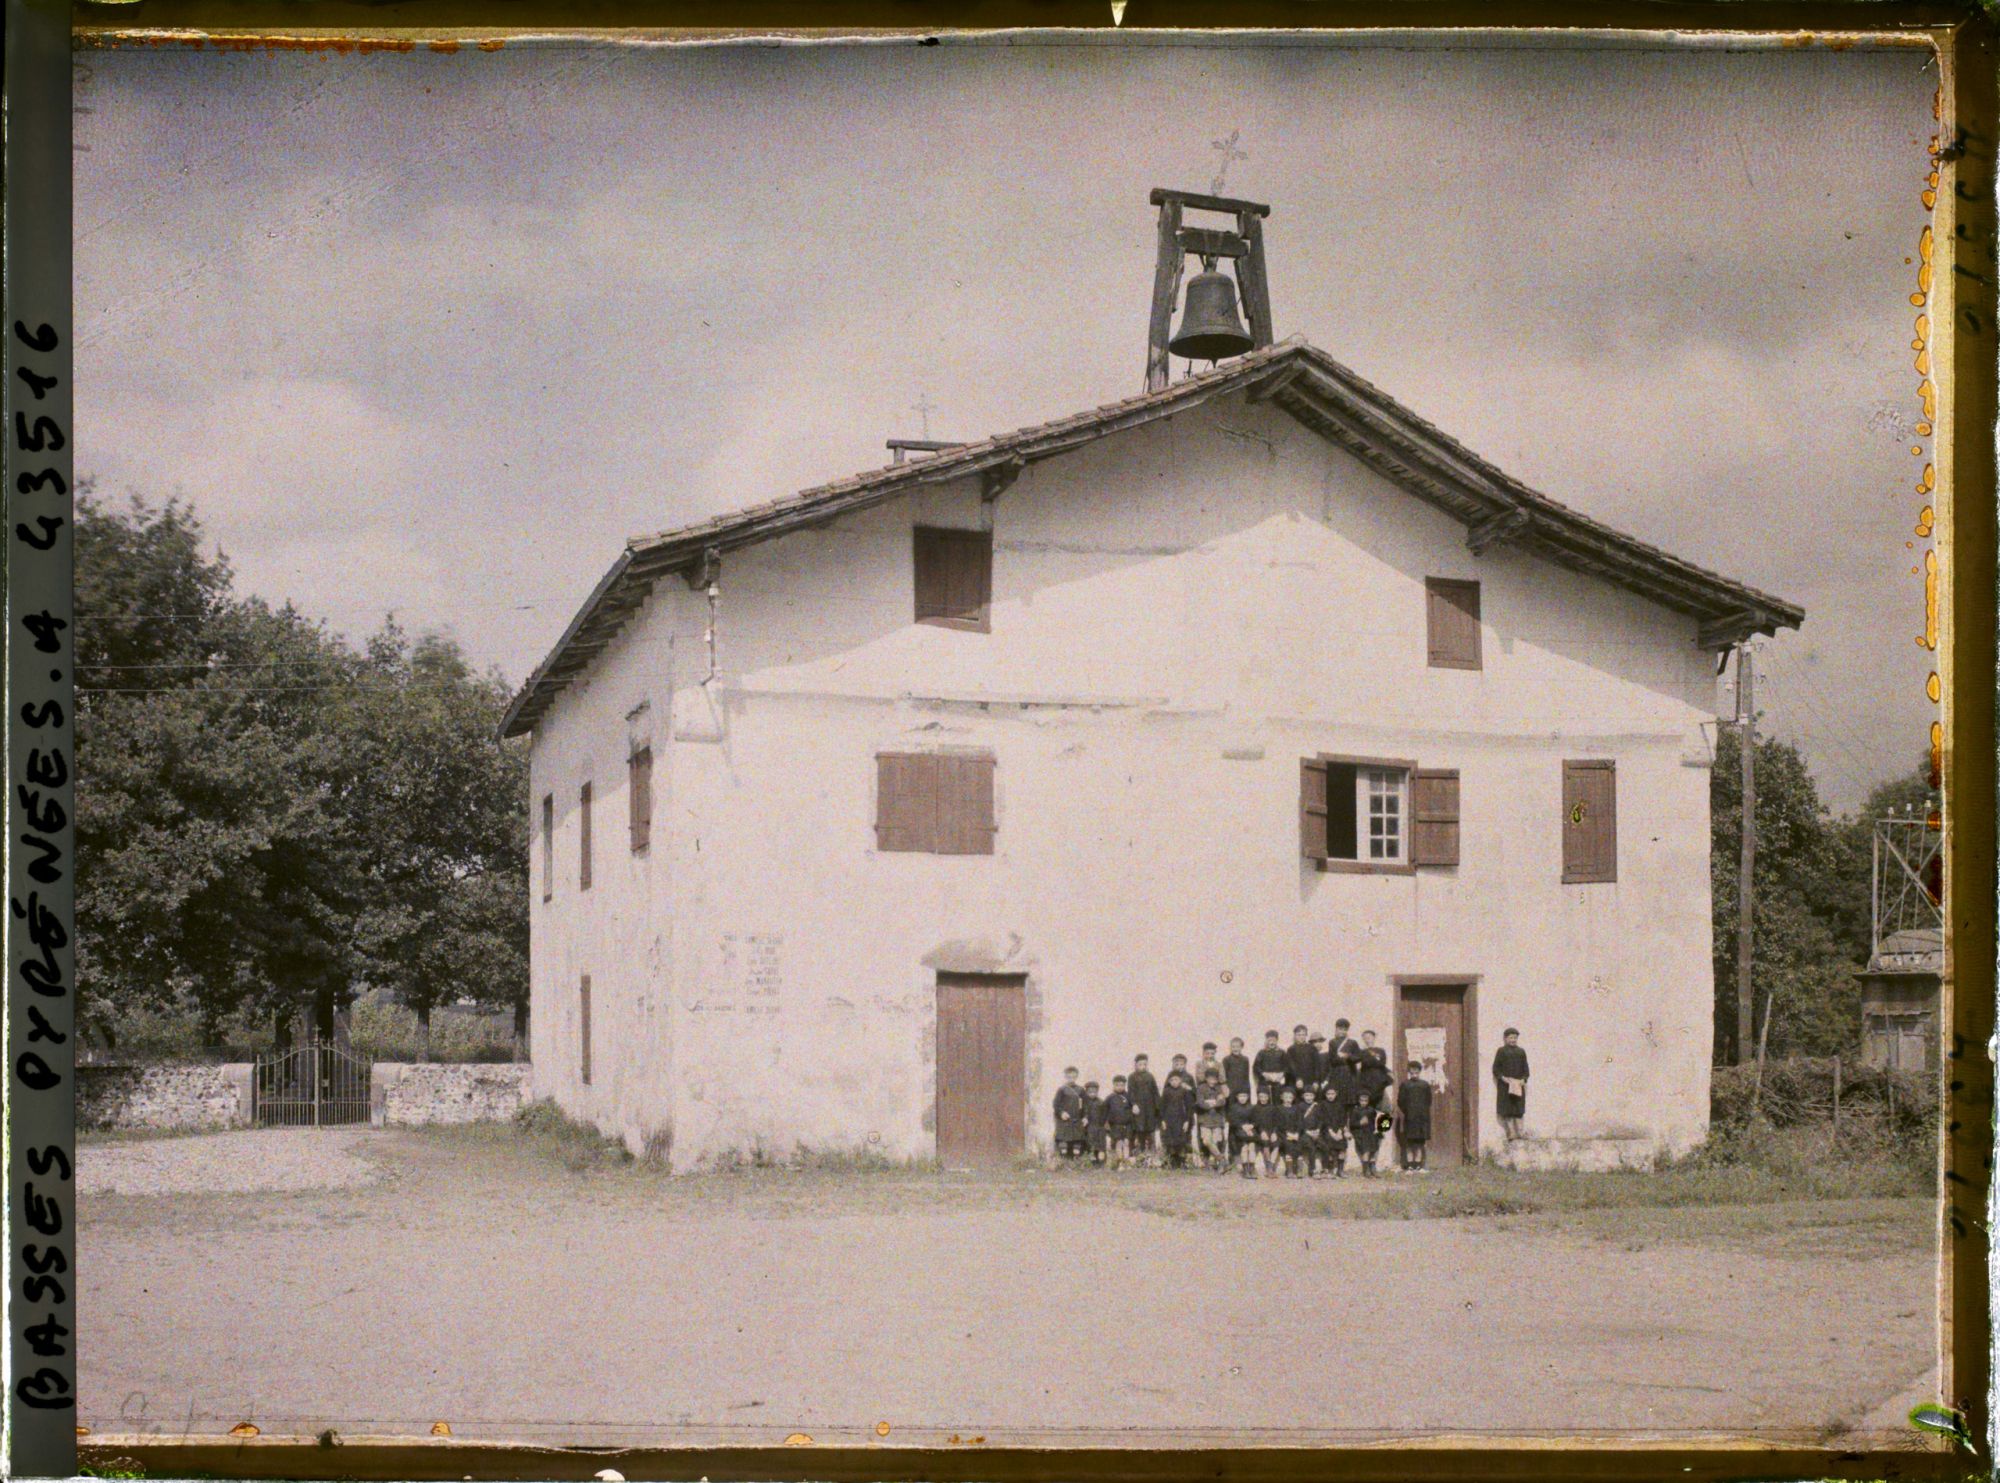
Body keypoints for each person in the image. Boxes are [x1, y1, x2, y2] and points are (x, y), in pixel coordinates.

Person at [1396, 1060, 1433, 1173]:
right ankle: (1410, 1165)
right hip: (1410, 1118)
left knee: (1420, 1143)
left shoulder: (1425, 1085)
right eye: (1412, 1073)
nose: (1414, 1075)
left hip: (1422, 1118)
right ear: (1409, 1072)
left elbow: (1428, 1100)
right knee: (1409, 1142)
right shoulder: (1405, 1085)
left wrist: (1421, 1111)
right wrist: (1408, 1111)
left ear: (1419, 1072)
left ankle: (1419, 1165)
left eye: (1416, 1072)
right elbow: (1400, 1101)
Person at [1493, 1029, 1530, 1140]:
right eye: (1510, 1038)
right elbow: (1496, 1068)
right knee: (1507, 1109)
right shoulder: (1501, 1051)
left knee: (1518, 1109)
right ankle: (1511, 1133)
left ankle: (1520, 1132)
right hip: (1506, 1085)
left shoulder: (1521, 1052)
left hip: (1518, 1085)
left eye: (1515, 1038)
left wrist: (1524, 1079)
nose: (1513, 1040)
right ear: (1505, 1039)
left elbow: (1526, 1069)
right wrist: (1503, 1078)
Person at [1160, 1064, 1196, 1170]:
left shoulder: (1184, 1091)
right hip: (1169, 1119)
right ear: (1169, 1081)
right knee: (1170, 1140)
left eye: (1177, 1079)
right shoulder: (1166, 1091)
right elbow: (1162, 1107)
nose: (1174, 1082)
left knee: (1181, 1140)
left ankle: (1182, 1161)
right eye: (1172, 1080)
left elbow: (1189, 1107)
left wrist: (1187, 1121)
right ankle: (1172, 1161)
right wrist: (1162, 1120)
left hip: (1181, 1119)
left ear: (1180, 1080)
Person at [1195, 1067, 1231, 1172]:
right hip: (1205, 1119)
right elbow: (1200, 1103)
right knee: (1207, 1141)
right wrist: (1214, 1102)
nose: (1213, 1080)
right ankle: (1222, 1160)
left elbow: (1222, 1101)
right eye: (1210, 1078)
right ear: (1206, 1078)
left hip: (1217, 1119)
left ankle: (1214, 1163)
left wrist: (1211, 1102)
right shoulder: (1201, 1088)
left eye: (1215, 1078)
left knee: (1216, 1140)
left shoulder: (1219, 1088)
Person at [1129, 1054, 1161, 1165]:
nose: (1142, 1066)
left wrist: (1158, 1107)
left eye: (1144, 1064)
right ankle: (1139, 1157)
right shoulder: (1132, 1077)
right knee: (1140, 1132)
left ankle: (1152, 1158)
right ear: (1136, 1065)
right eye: (1140, 1064)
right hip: (1139, 1110)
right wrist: (1133, 1104)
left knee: (1150, 1132)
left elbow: (1155, 1092)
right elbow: (1131, 1092)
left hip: (1150, 1109)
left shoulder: (1150, 1076)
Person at [1053, 1067, 1087, 1162]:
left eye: (1073, 1077)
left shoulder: (1080, 1090)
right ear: (1065, 1077)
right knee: (1064, 1140)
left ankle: (1076, 1160)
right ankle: (1063, 1160)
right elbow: (1056, 1104)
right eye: (1069, 1077)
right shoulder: (1062, 1089)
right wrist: (1061, 1113)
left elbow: (1085, 1105)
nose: (1071, 1079)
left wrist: (1085, 1117)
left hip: (1076, 1119)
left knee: (1077, 1139)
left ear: (1076, 1077)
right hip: (1065, 1120)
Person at [1350, 1088, 1384, 1178]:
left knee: (1373, 1150)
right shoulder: (1355, 1111)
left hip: (1370, 1132)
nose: (1363, 1102)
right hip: (1360, 1133)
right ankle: (1366, 1170)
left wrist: (1377, 1129)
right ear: (1358, 1100)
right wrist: (1359, 1123)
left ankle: (1373, 1168)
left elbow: (1375, 1120)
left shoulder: (1371, 1110)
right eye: (1362, 1100)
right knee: (1366, 1150)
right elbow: (1352, 1124)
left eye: (1366, 1100)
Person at [1104, 1075, 1136, 1169]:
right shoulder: (1110, 1098)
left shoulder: (1128, 1096)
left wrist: (1134, 1107)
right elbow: (1104, 1110)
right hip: (1116, 1125)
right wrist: (1106, 1122)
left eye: (1122, 1085)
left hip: (1127, 1125)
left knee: (1126, 1143)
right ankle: (1120, 1162)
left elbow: (1134, 1105)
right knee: (1119, 1143)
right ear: (1113, 1085)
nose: (1120, 1087)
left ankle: (1126, 1162)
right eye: (1117, 1085)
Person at [1299, 1083, 1329, 1177]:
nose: (1309, 1097)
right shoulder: (1300, 1106)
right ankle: (1312, 1170)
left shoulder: (1317, 1106)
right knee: (1311, 1147)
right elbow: (1298, 1122)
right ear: (1303, 1096)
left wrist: (1318, 1130)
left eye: (1311, 1095)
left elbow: (1321, 1120)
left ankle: (1325, 1169)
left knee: (1325, 1146)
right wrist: (1307, 1131)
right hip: (1305, 1133)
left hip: (1316, 1132)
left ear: (1314, 1096)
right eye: (1306, 1095)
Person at [1227, 1088, 1258, 1178]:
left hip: (1250, 1130)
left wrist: (1251, 1126)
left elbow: (1256, 1120)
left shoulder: (1251, 1107)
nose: (1242, 1098)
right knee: (1244, 1147)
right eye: (1240, 1096)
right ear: (1237, 1097)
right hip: (1238, 1131)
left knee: (1251, 1146)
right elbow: (1232, 1121)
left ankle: (1252, 1168)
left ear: (1248, 1097)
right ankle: (1245, 1169)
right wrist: (1243, 1127)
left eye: (1244, 1096)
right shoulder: (1233, 1108)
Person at [1276, 1084, 1306, 1177]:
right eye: (1286, 1097)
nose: (1288, 1098)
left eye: (1290, 1097)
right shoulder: (1279, 1108)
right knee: (1288, 1144)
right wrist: (1287, 1133)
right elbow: (1279, 1123)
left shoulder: (1296, 1108)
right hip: (1283, 1133)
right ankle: (1289, 1170)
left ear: (1293, 1098)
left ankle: (1299, 1170)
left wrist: (1297, 1133)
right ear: (1281, 1097)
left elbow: (1300, 1121)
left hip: (1295, 1133)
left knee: (1298, 1143)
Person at [1254, 1084, 1281, 1176]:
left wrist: (1274, 1133)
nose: (1263, 1099)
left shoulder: (1273, 1108)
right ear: (1258, 1097)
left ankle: (1271, 1165)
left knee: (1276, 1144)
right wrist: (1262, 1132)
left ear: (1268, 1097)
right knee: (1266, 1143)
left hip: (1271, 1130)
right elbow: (1256, 1123)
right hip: (1260, 1132)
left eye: (1265, 1096)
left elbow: (1277, 1122)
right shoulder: (1256, 1108)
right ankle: (1268, 1168)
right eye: (1261, 1096)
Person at [1083, 1079, 1108, 1167]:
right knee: (1090, 1142)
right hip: (1090, 1126)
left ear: (1097, 1092)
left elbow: (1105, 1113)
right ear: (1086, 1092)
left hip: (1100, 1126)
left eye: (1094, 1092)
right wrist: (1085, 1118)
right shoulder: (1085, 1103)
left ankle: (1102, 1162)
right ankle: (1092, 1161)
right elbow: (1084, 1113)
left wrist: (1105, 1124)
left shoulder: (1101, 1102)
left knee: (1101, 1143)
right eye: (1090, 1092)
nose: (1092, 1094)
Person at [1285, 1024, 1318, 1089]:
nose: (1301, 1037)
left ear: (1306, 1035)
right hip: (1296, 1081)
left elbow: (1316, 1065)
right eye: (1299, 1035)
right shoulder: (1291, 1049)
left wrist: (1316, 1081)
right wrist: (1298, 1078)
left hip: (1310, 1081)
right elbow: (1291, 1066)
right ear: (1295, 1036)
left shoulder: (1312, 1048)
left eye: (1303, 1034)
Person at [1222, 1037, 1252, 1101]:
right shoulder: (1226, 1059)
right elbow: (1224, 1076)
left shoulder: (1245, 1059)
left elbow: (1246, 1076)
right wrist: (1226, 1089)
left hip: (1242, 1088)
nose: (1235, 1049)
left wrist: (1247, 1090)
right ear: (1230, 1047)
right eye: (1233, 1047)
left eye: (1238, 1047)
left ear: (1241, 1047)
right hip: (1231, 1088)